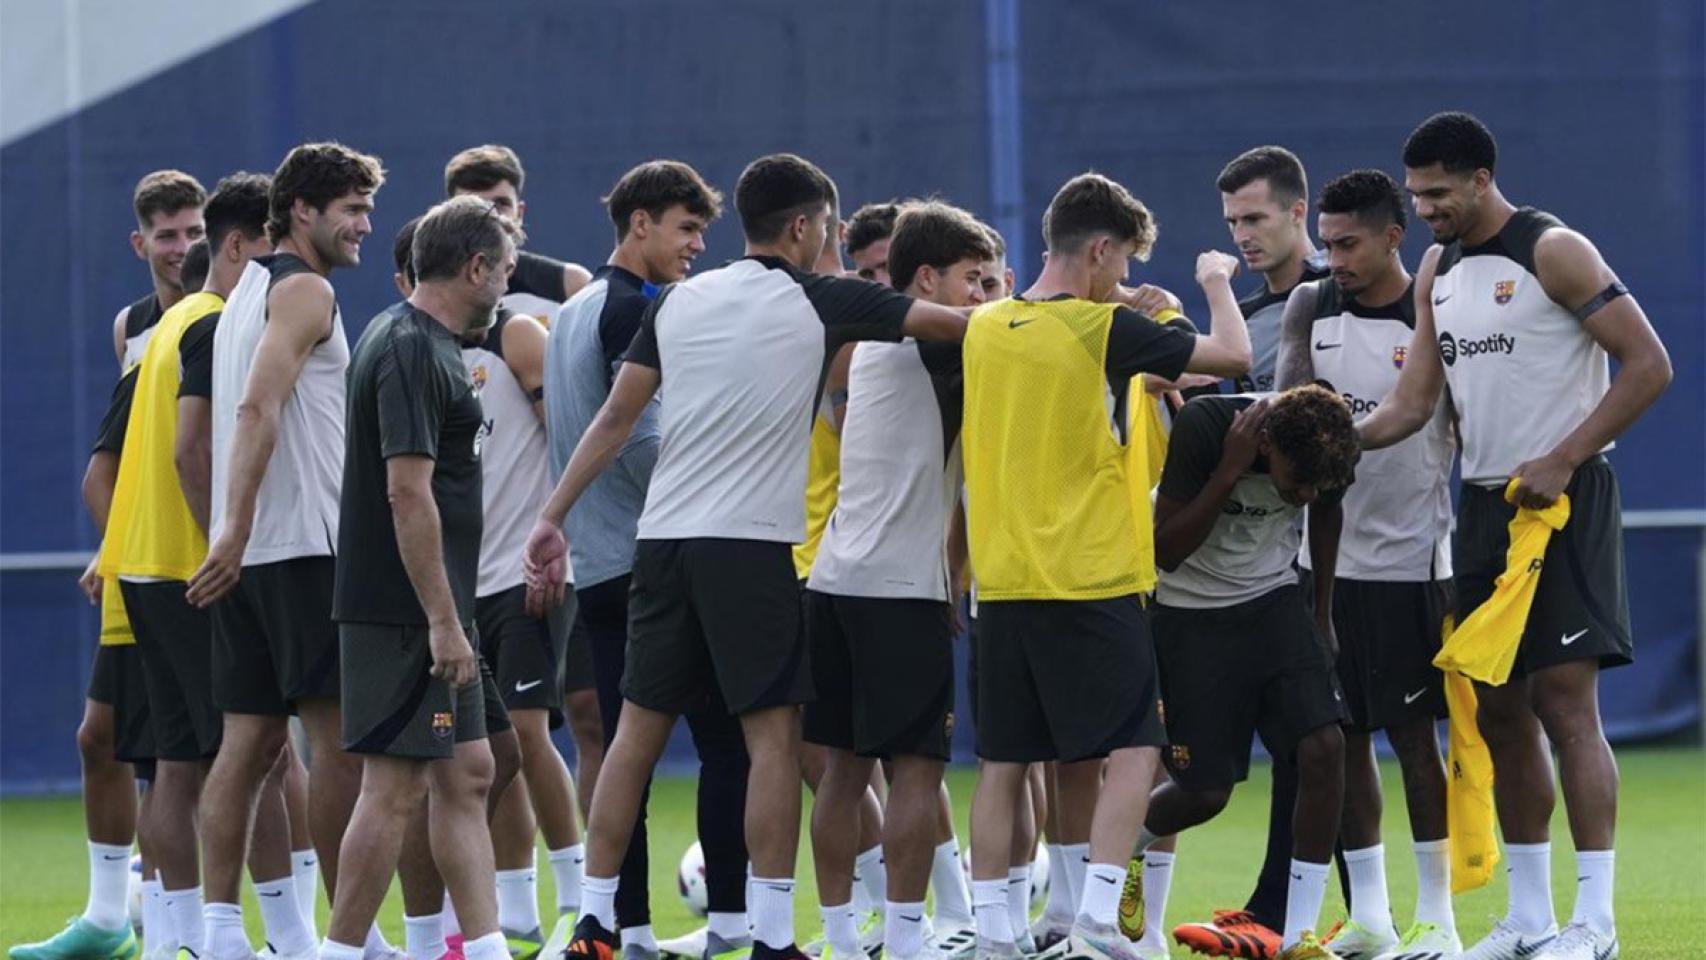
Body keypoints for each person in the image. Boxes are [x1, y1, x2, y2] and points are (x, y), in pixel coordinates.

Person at [525, 152, 971, 960]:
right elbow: (962, 328)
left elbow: (617, 419)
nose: (831, 243)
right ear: (804, 228)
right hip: (749, 549)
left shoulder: (681, 299)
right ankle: (770, 935)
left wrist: (551, 516)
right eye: (829, 229)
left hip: (659, 544)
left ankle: (596, 920)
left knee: (634, 737)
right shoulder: (822, 297)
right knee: (773, 739)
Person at [1358, 111, 1672, 960]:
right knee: (1500, 711)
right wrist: (1327, 440)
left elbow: (1650, 365)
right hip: (1485, 508)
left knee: (1567, 706)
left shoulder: (1554, 249)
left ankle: (1595, 924)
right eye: (1417, 195)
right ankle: (1529, 918)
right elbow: (1413, 405)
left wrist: (1566, 456)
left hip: (1564, 502)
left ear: (1481, 179)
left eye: (1438, 194)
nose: (1425, 210)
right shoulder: (1436, 269)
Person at [960, 171, 1252, 960]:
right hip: (1090, 577)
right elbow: (1233, 354)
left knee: (1004, 762)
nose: (1122, 277)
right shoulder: (1102, 330)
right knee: (1136, 749)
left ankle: (994, 933)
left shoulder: (986, 324)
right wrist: (1214, 282)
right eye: (1120, 262)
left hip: (1004, 581)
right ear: (1098, 249)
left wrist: (1121, 309)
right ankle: (1094, 921)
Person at [187, 142, 398, 960]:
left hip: (255, 558)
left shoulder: (242, 290)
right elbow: (256, 409)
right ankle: (355, 935)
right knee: (340, 749)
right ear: (302, 211)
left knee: (249, 746)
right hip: (304, 553)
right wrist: (233, 530)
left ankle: (217, 933)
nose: (365, 227)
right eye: (352, 209)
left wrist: (231, 534)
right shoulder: (304, 289)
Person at [544, 160, 748, 960]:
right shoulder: (634, 307)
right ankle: (730, 919)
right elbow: (638, 437)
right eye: (686, 229)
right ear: (639, 225)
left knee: (621, 752)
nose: (698, 246)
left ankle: (624, 927)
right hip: (653, 565)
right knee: (726, 742)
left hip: (599, 565)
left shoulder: (573, 310)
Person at [8, 170, 206, 960]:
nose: (181, 246)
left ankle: (194, 926)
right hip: (142, 567)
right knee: (104, 738)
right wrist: (118, 547)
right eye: (167, 233)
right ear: (140, 243)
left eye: (193, 231)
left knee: (199, 752)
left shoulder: (226, 316)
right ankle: (110, 919)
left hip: (195, 565)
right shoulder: (132, 327)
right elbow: (120, 460)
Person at [320, 195, 524, 960]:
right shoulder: (408, 346)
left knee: (475, 767)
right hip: (408, 613)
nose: (505, 285)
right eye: (502, 270)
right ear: (474, 268)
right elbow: (406, 491)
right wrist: (442, 620)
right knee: (394, 788)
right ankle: (340, 952)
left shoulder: (421, 339)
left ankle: (486, 947)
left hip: (441, 608)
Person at [1271, 169, 1458, 959]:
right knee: (1340, 738)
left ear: (1393, 236)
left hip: (1413, 558)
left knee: (1416, 739)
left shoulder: (1435, 311)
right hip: (1323, 562)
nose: (1334, 258)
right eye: (1327, 243)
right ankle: (1374, 917)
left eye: (1349, 243)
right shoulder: (1311, 306)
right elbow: (1282, 410)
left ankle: (1439, 919)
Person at [802, 200, 992, 960]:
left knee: (842, 779)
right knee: (916, 774)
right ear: (926, 279)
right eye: (973, 281)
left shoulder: (860, 346)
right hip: (898, 598)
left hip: (831, 584)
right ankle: (912, 942)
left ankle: (845, 942)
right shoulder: (948, 352)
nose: (983, 296)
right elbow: (1023, 331)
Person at [1173, 146, 1338, 958]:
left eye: (1257, 218)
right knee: (1285, 754)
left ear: (1299, 213)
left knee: (1339, 743)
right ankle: (1280, 912)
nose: (1243, 234)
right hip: (1258, 564)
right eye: (1233, 220)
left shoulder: (1346, 297)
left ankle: (1338, 913)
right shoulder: (1239, 321)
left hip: (1364, 552)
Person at [1138, 385, 1360, 960]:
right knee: (1205, 794)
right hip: (1187, 610)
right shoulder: (1211, 426)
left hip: (1272, 600)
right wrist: (1229, 473)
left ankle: (1297, 934)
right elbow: (1164, 550)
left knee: (1325, 746)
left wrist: (1321, 614)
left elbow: (1328, 510)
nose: (1304, 493)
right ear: (1266, 443)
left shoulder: (1326, 438)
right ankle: (1117, 854)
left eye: (1315, 484)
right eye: (1296, 482)